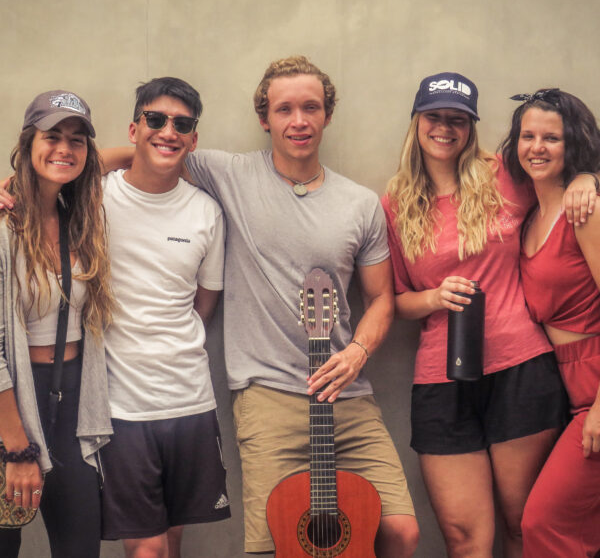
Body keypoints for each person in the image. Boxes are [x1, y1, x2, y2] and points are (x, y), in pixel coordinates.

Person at [103, 56, 419, 556]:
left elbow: (382, 298)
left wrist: (357, 352)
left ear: (327, 115)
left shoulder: (360, 204)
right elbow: (151, 151)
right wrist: (42, 183)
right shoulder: (226, 172)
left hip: (348, 395)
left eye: (311, 107)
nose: (299, 121)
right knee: (276, 542)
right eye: (285, 109)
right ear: (264, 117)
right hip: (266, 396)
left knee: (400, 531)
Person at [382, 73, 600, 558]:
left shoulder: (505, 174)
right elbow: (395, 301)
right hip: (441, 381)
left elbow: (560, 177)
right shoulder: (394, 203)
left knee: (524, 523)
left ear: (471, 126)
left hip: (522, 369)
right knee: (465, 540)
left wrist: (589, 179)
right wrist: (435, 297)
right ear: (417, 122)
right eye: (434, 117)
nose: (445, 128)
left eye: (457, 119)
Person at [98, 77, 230, 558]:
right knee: (147, 549)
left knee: (174, 539)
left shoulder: (207, 213)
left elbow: (205, 304)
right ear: (134, 128)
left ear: (193, 140)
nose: (167, 131)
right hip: (122, 409)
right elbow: (50, 167)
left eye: (182, 124)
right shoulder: (96, 199)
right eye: (155, 119)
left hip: (191, 402)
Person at [0, 90, 114, 557]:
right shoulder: (4, 226)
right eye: (52, 136)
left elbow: (132, 156)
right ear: (28, 144)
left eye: (77, 140)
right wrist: (17, 448)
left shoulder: (79, 220)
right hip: (9, 405)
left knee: (80, 546)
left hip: (69, 404)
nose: (65, 149)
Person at [501, 88, 600, 557]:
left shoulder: (585, 212)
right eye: (527, 136)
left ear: (574, 144)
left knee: (544, 524)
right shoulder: (530, 214)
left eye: (552, 137)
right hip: (567, 386)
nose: (537, 147)